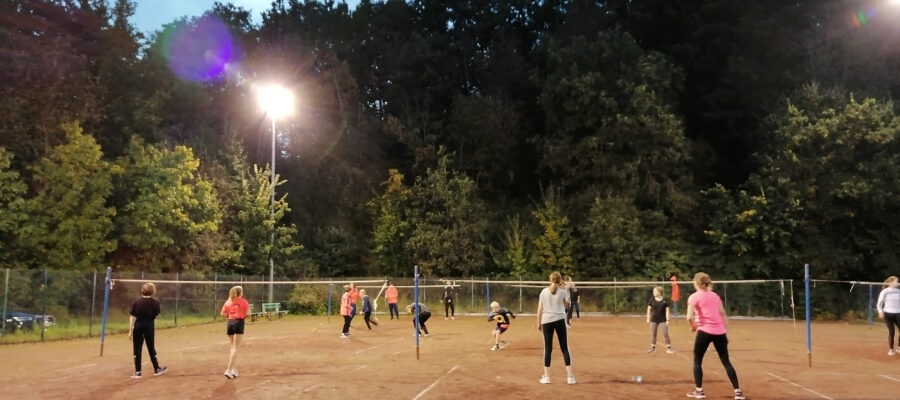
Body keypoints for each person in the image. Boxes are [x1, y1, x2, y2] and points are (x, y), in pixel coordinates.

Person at [685, 272, 745, 400]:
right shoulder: (715, 296)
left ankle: (699, 391)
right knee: (726, 361)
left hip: (704, 331)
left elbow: (689, 316)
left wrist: (693, 326)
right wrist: (725, 332)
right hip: (720, 332)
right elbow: (723, 313)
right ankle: (738, 392)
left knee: (697, 361)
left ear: (696, 283)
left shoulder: (694, 297)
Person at [536, 271, 575, 385]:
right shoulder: (563, 291)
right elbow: (567, 305)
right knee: (564, 348)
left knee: (548, 349)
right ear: (559, 280)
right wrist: (565, 288)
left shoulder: (544, 291)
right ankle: (570, 377)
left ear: (550, 279)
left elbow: (539, 309)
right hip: (560, 320)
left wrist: (538, 323)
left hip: (546, 321)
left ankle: (547, 377)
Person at [129, 282, 168, 379]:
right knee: (151, 347)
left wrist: (130, 330)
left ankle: (138, 372)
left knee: (137, 349)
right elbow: (156, 315)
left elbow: (132, 316)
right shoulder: (155, 303)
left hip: (138, 326)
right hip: (149, 326)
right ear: (153, 291)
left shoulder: (136, 302)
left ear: (142, 290)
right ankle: (156, 368)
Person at [220, 285, 250, 379]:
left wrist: (231, 315)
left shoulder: (228, 301)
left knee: (232, 348)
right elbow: (248, 313)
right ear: (240, 293)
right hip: (238, 322)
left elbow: (222, 313)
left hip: (230, 323)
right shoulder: (244, 301)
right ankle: (228, 370)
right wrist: (242, 317)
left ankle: (234, 370)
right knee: (235, 348)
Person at [646, 286, 674, 354]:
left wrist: (668, 320)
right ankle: (653, 348)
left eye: (655, 291)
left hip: (662, 319)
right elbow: (648, 309)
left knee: (665, 333)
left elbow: (667, 311)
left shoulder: (665, 300)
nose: (653, 292)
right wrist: (648, 318)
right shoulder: (652, 299)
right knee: (653, 334)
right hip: (654, 319)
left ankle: (669, 348)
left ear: (659, 292)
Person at [876, 276, 900, 356]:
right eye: (896, 281)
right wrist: (880, 311)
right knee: (892, 331)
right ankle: (891, 349)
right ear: (890, 282)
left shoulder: (898, 291)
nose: (897, 283)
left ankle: (899, 347)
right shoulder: (885, 291)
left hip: (898, 313)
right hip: (888, 313)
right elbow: (879, 303)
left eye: (898, 281)